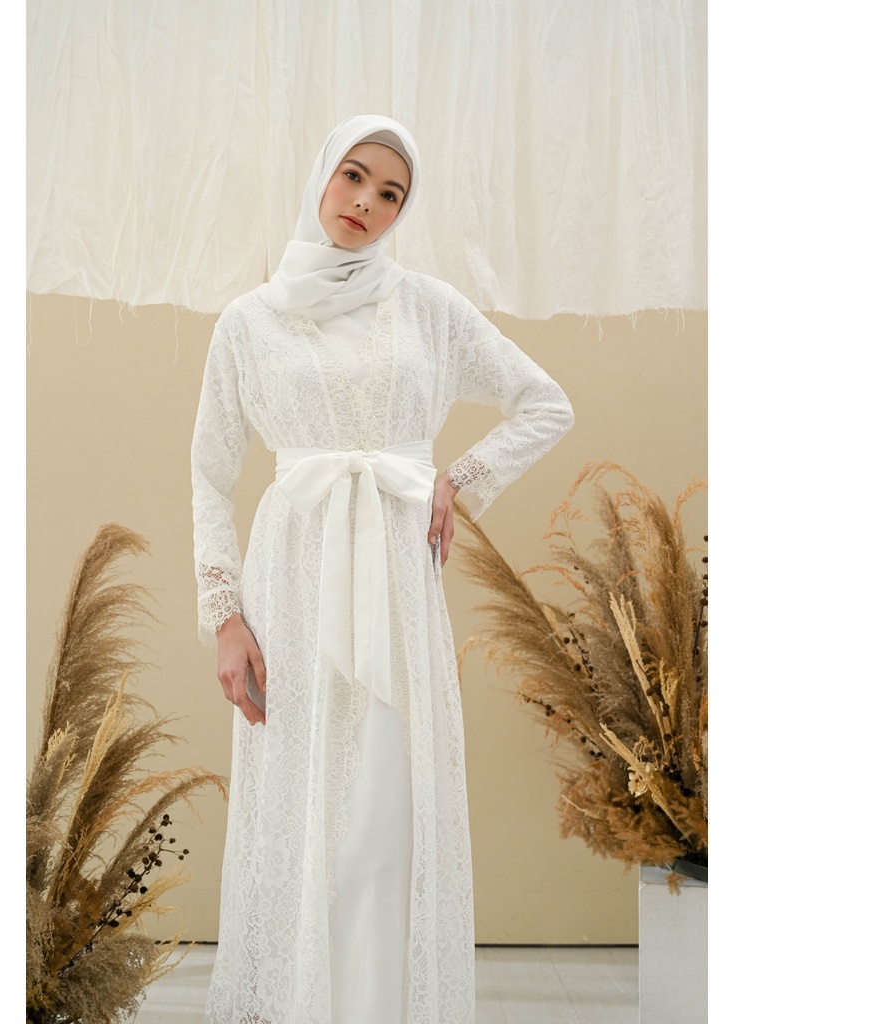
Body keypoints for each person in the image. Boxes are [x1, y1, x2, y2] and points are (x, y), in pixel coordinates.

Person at [191, 114, 574, 1024]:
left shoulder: (428, 308)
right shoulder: (250, 321)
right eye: (354, 176)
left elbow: (544, 403)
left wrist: (460, 478)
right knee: (303, 808)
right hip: (291, 582)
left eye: (390, 192)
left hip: (397, 587)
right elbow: (209, 473)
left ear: (403, 210)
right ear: (322, 176)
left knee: (384, 813)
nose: (365, 201)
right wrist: (225, 615)